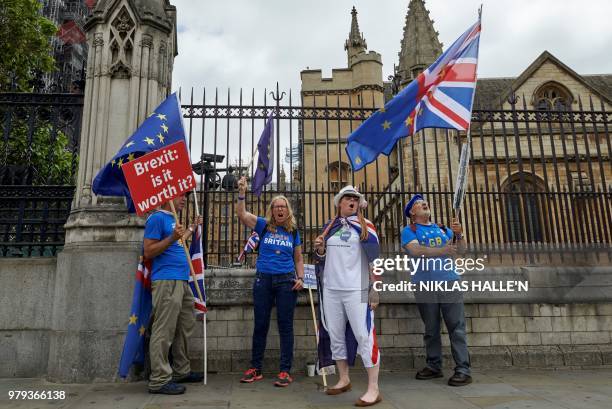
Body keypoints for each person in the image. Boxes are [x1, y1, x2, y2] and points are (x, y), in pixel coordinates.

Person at [314, 185, 382, 407]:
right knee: (335, 335)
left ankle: (374, 388)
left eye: (355, 198)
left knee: (364, 336)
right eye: (347, 198)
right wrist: (321, 250)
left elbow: (375, 259)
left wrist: (375, 287)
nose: (352, 201)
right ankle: (343, 379)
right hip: (332, 289)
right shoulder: (329, 227)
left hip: (357, 289)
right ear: (339, 203)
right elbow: (322, 259)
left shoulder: (366, 227)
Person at [236, 176, 304, 387]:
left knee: (285, 326)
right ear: (272, 210)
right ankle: (255, 368)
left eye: (283, 206)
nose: (280, 210)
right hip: (263, 280)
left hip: (286, 281)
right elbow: (241, 214)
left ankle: (285, 371)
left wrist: (300, 278)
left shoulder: (293, 231)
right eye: (276, 207)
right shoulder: (263, 225)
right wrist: (241, 193)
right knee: (261, 325)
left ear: (288, 210)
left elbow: (299, 258)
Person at [400, 194, 472, 386]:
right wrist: (442, 251)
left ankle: (463, 369)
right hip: (424, 285)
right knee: (431, 329)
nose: (423, 203)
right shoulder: (409, 230)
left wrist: (459, 235)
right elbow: (415, 251)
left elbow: (462, 250)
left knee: (456, 328)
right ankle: (434, 366)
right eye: (417, 204)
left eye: (424, 202)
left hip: (450, 282)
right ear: (412, 213)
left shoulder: (443, 229)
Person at [144, 193, 204, 394]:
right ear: (165, 198)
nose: (184, 199)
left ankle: (181, 370)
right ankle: (159, 379)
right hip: (166, 281)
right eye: (180, 196)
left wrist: (191, 228)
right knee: (164, 329)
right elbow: (149, 251)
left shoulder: (172, 219)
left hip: (182, 280)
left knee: (185, 325)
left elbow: (178, 243)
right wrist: (172, 237)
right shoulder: (156, 218)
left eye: (186, 196)